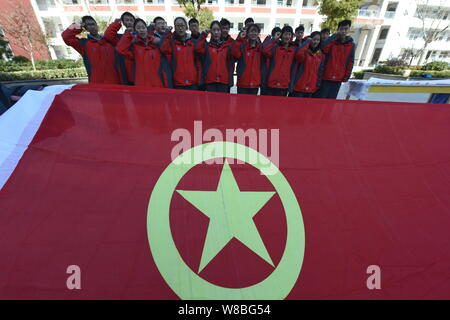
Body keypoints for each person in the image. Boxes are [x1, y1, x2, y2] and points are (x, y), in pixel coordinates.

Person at [62, 16, 120, 84]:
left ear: (97, 25)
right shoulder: (84, 44)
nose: (92, 27)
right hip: (97, 84)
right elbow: (66, 36)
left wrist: (116, 24)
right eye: (88, 25)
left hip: (116, 82)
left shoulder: (109, 41)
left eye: (93, 24)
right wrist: (77, 25)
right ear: (85, 28)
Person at [116, 19, 171, 88]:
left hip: (158, 85)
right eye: (138, 28)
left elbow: (167, 50)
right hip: (141, 86)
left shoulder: (156, 45)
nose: (141, 30)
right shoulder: (134, 47)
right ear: (135, 31)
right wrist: (128, 34)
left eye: (143, 27)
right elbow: (120, 49)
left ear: (146, 29)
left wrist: (167, 34)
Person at [314, 20, 355, 99]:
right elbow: (323, 48)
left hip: (338, 78)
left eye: (346, 29)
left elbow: (350, 61)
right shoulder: (332, 42)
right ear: (338, 30)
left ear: (349, 29)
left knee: (331, 101)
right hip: (326, 76)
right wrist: (334, 36)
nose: (343, 31)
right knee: (321, 99)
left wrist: (347, 75)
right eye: (341, 29)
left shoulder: (351, 45)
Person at [160, 17, 199, 90]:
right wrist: (167, 34)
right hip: (178, 83)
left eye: (182, 25)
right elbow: (163, 49)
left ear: (186, 27)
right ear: (175, 27)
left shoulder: (193, 42)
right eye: (178, 26)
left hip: (193, 82)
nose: (180, 28)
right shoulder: (171, 43)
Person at [195, 21, 234, 93]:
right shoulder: (207, 46)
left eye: (218, 30)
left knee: (223, 103)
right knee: (211, 103)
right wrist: (203, 35)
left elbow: (230, 64)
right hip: (210, 81)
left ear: (221, 32)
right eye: (214, 30)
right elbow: (197, 48)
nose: (216, 32)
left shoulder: (227, 47)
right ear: (211, 32)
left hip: (223, 81)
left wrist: (230, 81)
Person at [262, 26, 296, 97]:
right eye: (285, 34)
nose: (287, 36)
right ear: (281, 35)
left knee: (280, 107)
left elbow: (293, 68)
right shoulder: (275, 47)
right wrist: (274, 39)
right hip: (272, 83)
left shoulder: (293, 50)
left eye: (289, 34)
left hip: (284, 84)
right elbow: (265, 50)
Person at [104, 11, 136, 85]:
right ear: (123, 22)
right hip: (125, 72)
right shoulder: (120, 38)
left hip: (140, 70)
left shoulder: (140, 35)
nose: (129, 22)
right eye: (127, 20)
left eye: (131, 20)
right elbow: (108, 35)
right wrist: (117, 23)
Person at [290, 31, 324, 98]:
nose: (316, 42)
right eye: (314, 39)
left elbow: (320, 71)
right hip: (299, 86)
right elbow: (298, 55)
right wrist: (307, 42)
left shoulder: (320, 55)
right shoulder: (304, 51)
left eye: (318, 40)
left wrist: (317, 84)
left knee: (306, 107)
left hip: (311, 87)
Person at [232, 24, 262, 95]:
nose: (253, 33)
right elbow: (235, 55)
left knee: (252, 105)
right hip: (242, 83)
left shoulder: (260, 48)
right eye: (251, 31)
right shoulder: (242, 46)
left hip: (255, 84)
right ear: (247, 33)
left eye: (255, 31)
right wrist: (239, 40)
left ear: (258, 34)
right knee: (240, 105)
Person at [260, 27, 281, 95]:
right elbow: (265, 50)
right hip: (266, 72)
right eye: (277, 34)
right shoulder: (268, 40)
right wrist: (273, 39)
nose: (278, 36)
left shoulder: (280, 44)